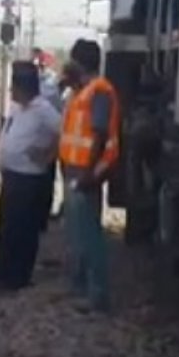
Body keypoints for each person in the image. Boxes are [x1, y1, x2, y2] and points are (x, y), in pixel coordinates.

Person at [0, 61, 61, 295]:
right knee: (6, 227)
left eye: (14, 87)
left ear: (23, 87)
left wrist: (48, 155)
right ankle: (2, 273)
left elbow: (65, 132)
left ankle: (17, 277)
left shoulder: (43, 109)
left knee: (22, 230)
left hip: (29, 179)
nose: (11, 92)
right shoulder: (18, 108)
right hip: (12, 176)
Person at [59, 39, 120, 313]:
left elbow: (99, 135)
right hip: (75, 168)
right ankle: (81, 287)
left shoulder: (100, 91)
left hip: (85, 172)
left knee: (90, 234)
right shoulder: (83, 91)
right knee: (79, 232)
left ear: (79, 62)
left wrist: (87, 174)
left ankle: (98, 296)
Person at [31, 48, 63, 232]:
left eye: (42, 63)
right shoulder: (36, 81)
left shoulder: (51, 84)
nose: (39, 66)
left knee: (46, 178)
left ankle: (43, 215)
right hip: (34, 135)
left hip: (48, 135)